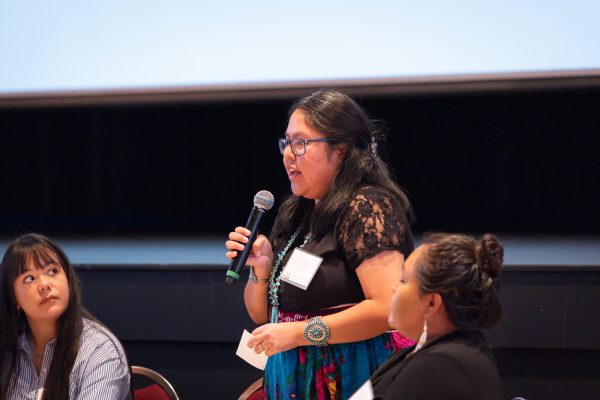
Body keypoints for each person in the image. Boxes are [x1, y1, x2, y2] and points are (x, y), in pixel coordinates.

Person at [225, 89, 415, 399]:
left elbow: (386, 309)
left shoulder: (367, 206)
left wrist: (299, 335)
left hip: (352, 377)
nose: (288, 154)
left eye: (300, 143)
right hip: (298, 381)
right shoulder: (297, 212)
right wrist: (261, 270)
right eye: (286, 143)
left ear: (340, 151)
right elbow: (264, 315)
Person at [370, 233, 504, 400]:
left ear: (431, 303)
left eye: (403, 281)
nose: (393, 287)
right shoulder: (443, 350)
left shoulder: (439, 367)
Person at [0, 233, 131, 400]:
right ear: (14, 298)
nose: (44, 285)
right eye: (29, 278)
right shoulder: (7, 350)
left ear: (68, 280)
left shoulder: (98, 350)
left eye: (52, 271)